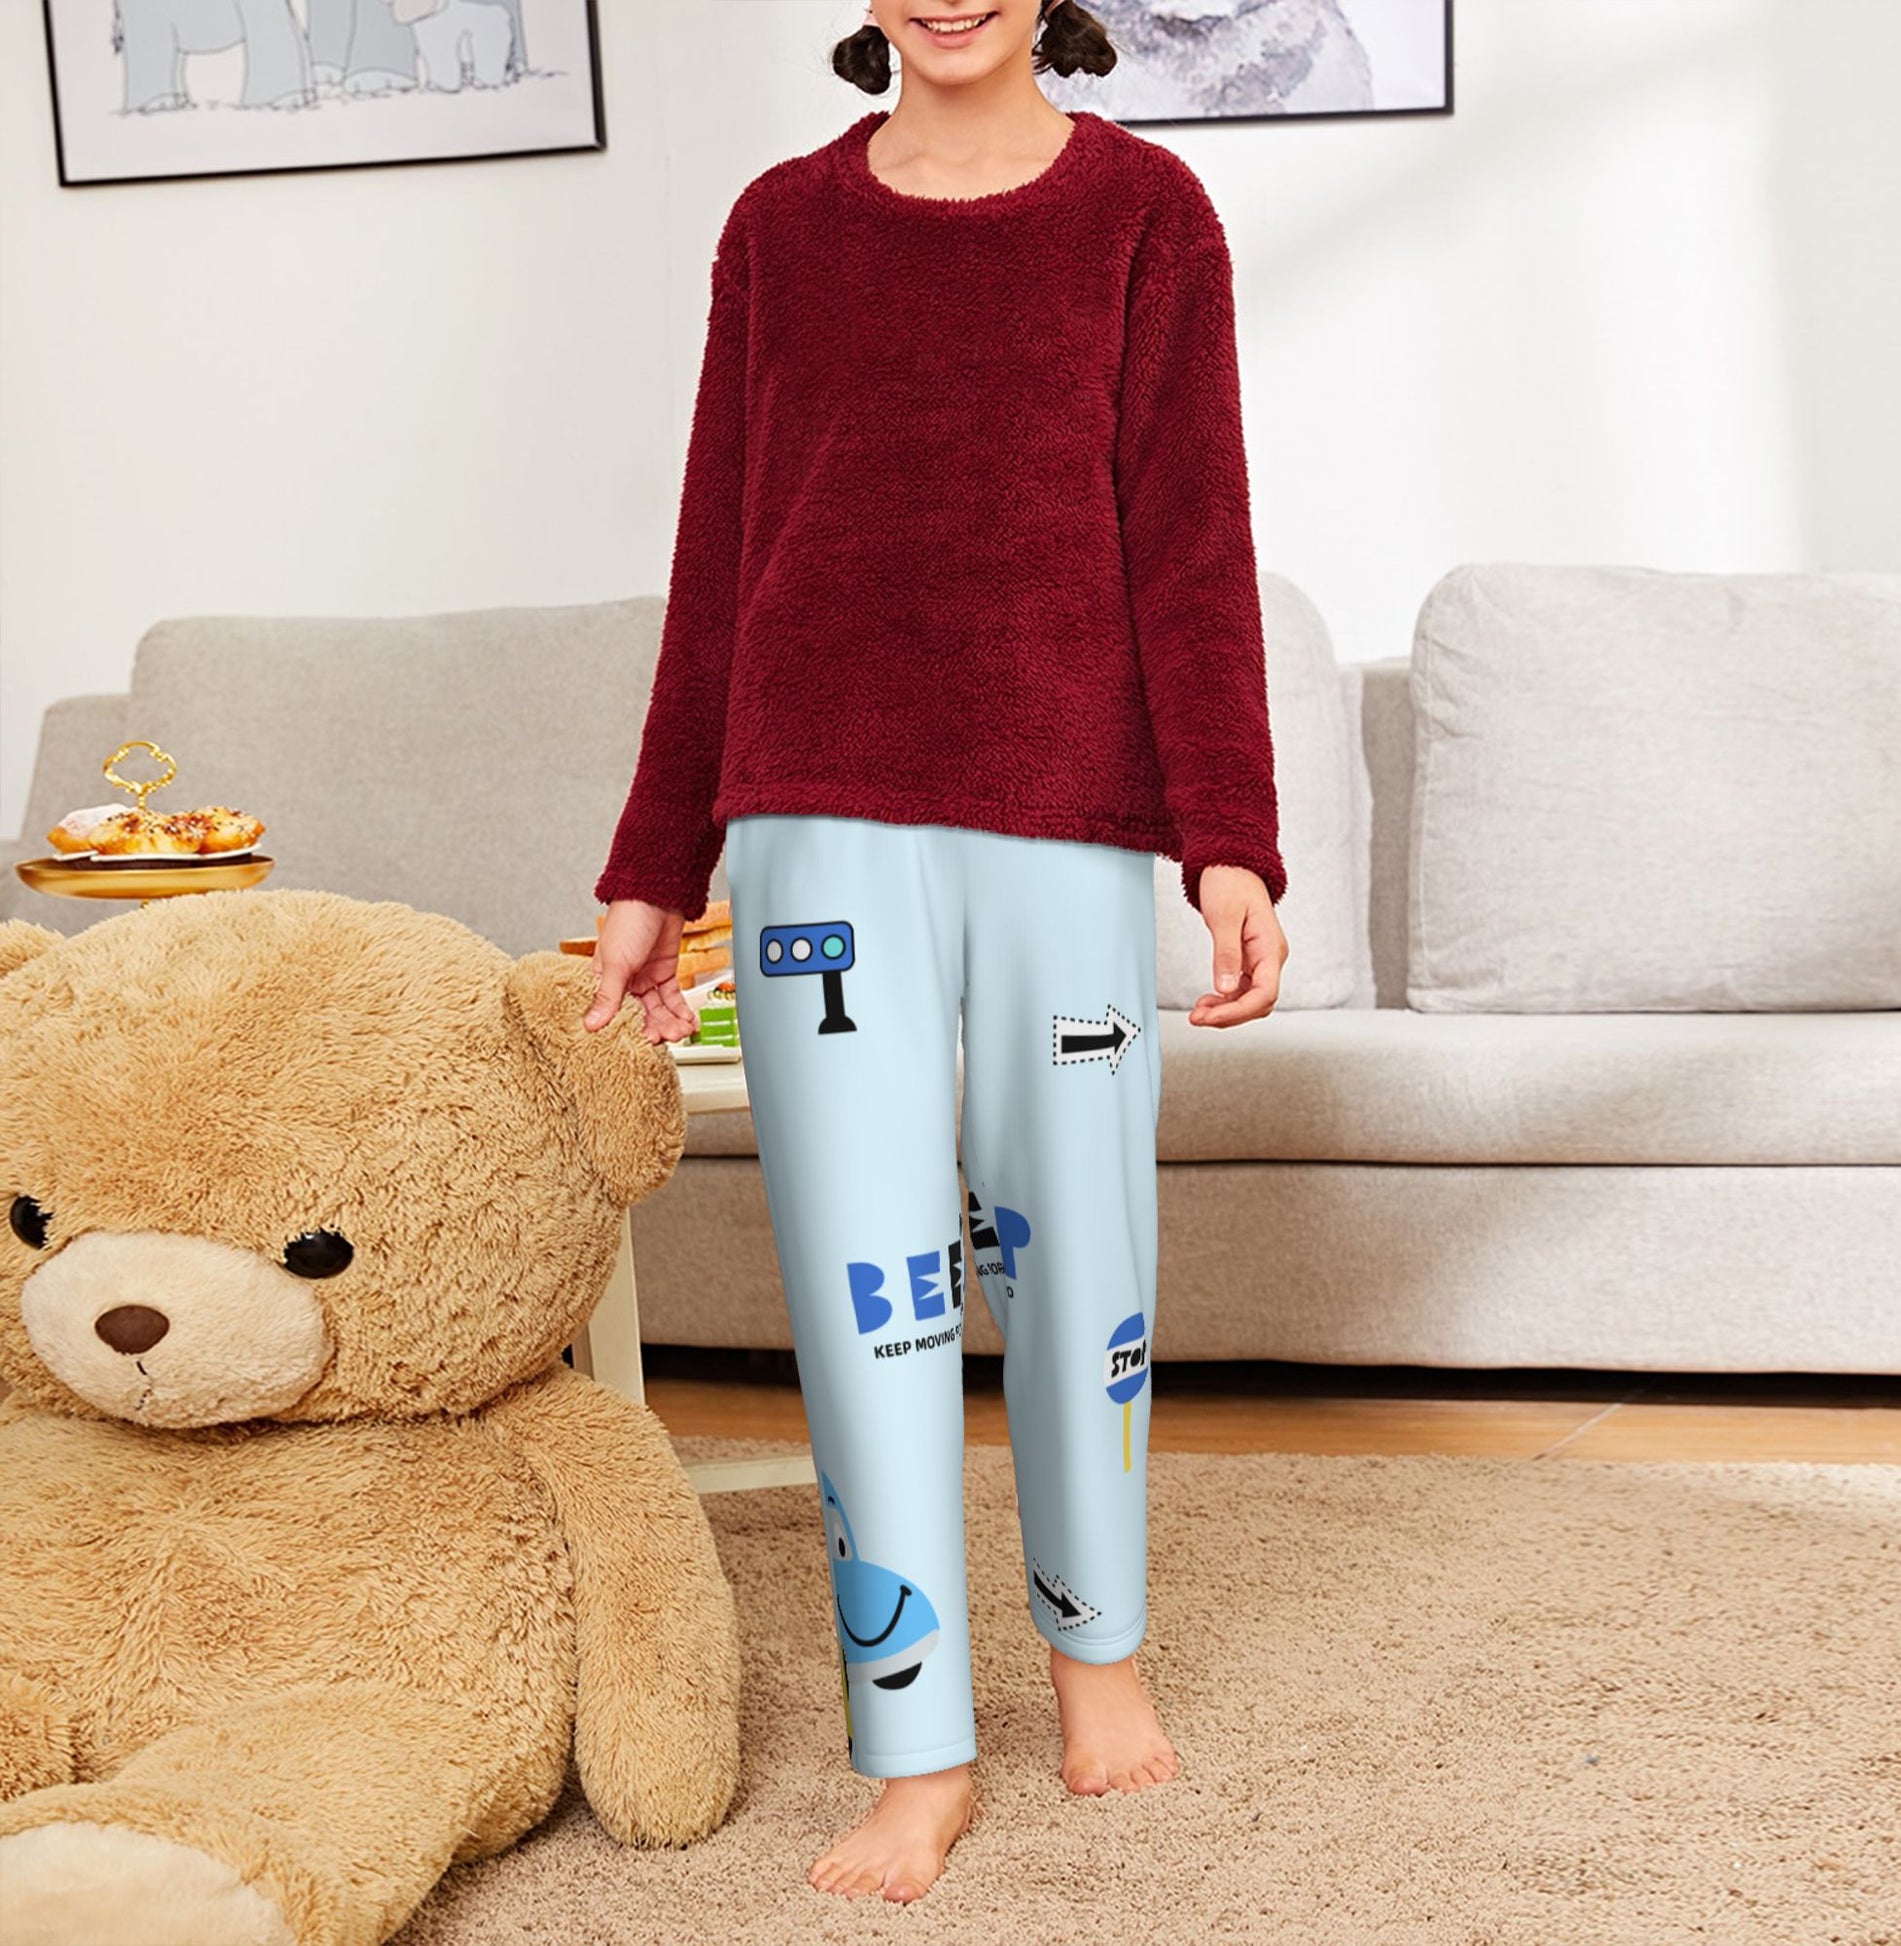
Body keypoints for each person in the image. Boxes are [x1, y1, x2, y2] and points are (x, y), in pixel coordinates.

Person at [581, 0, 1288, 1907]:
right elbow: (718, 553)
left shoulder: (1145, 213)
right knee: (860, 1281)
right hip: (813, 809)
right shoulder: (779, 228)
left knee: (1082, 1252)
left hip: (1066, 807)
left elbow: (1191, 532)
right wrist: (654, 861)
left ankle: (1096, 1658)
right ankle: (913, 1747)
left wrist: (1226, 833)